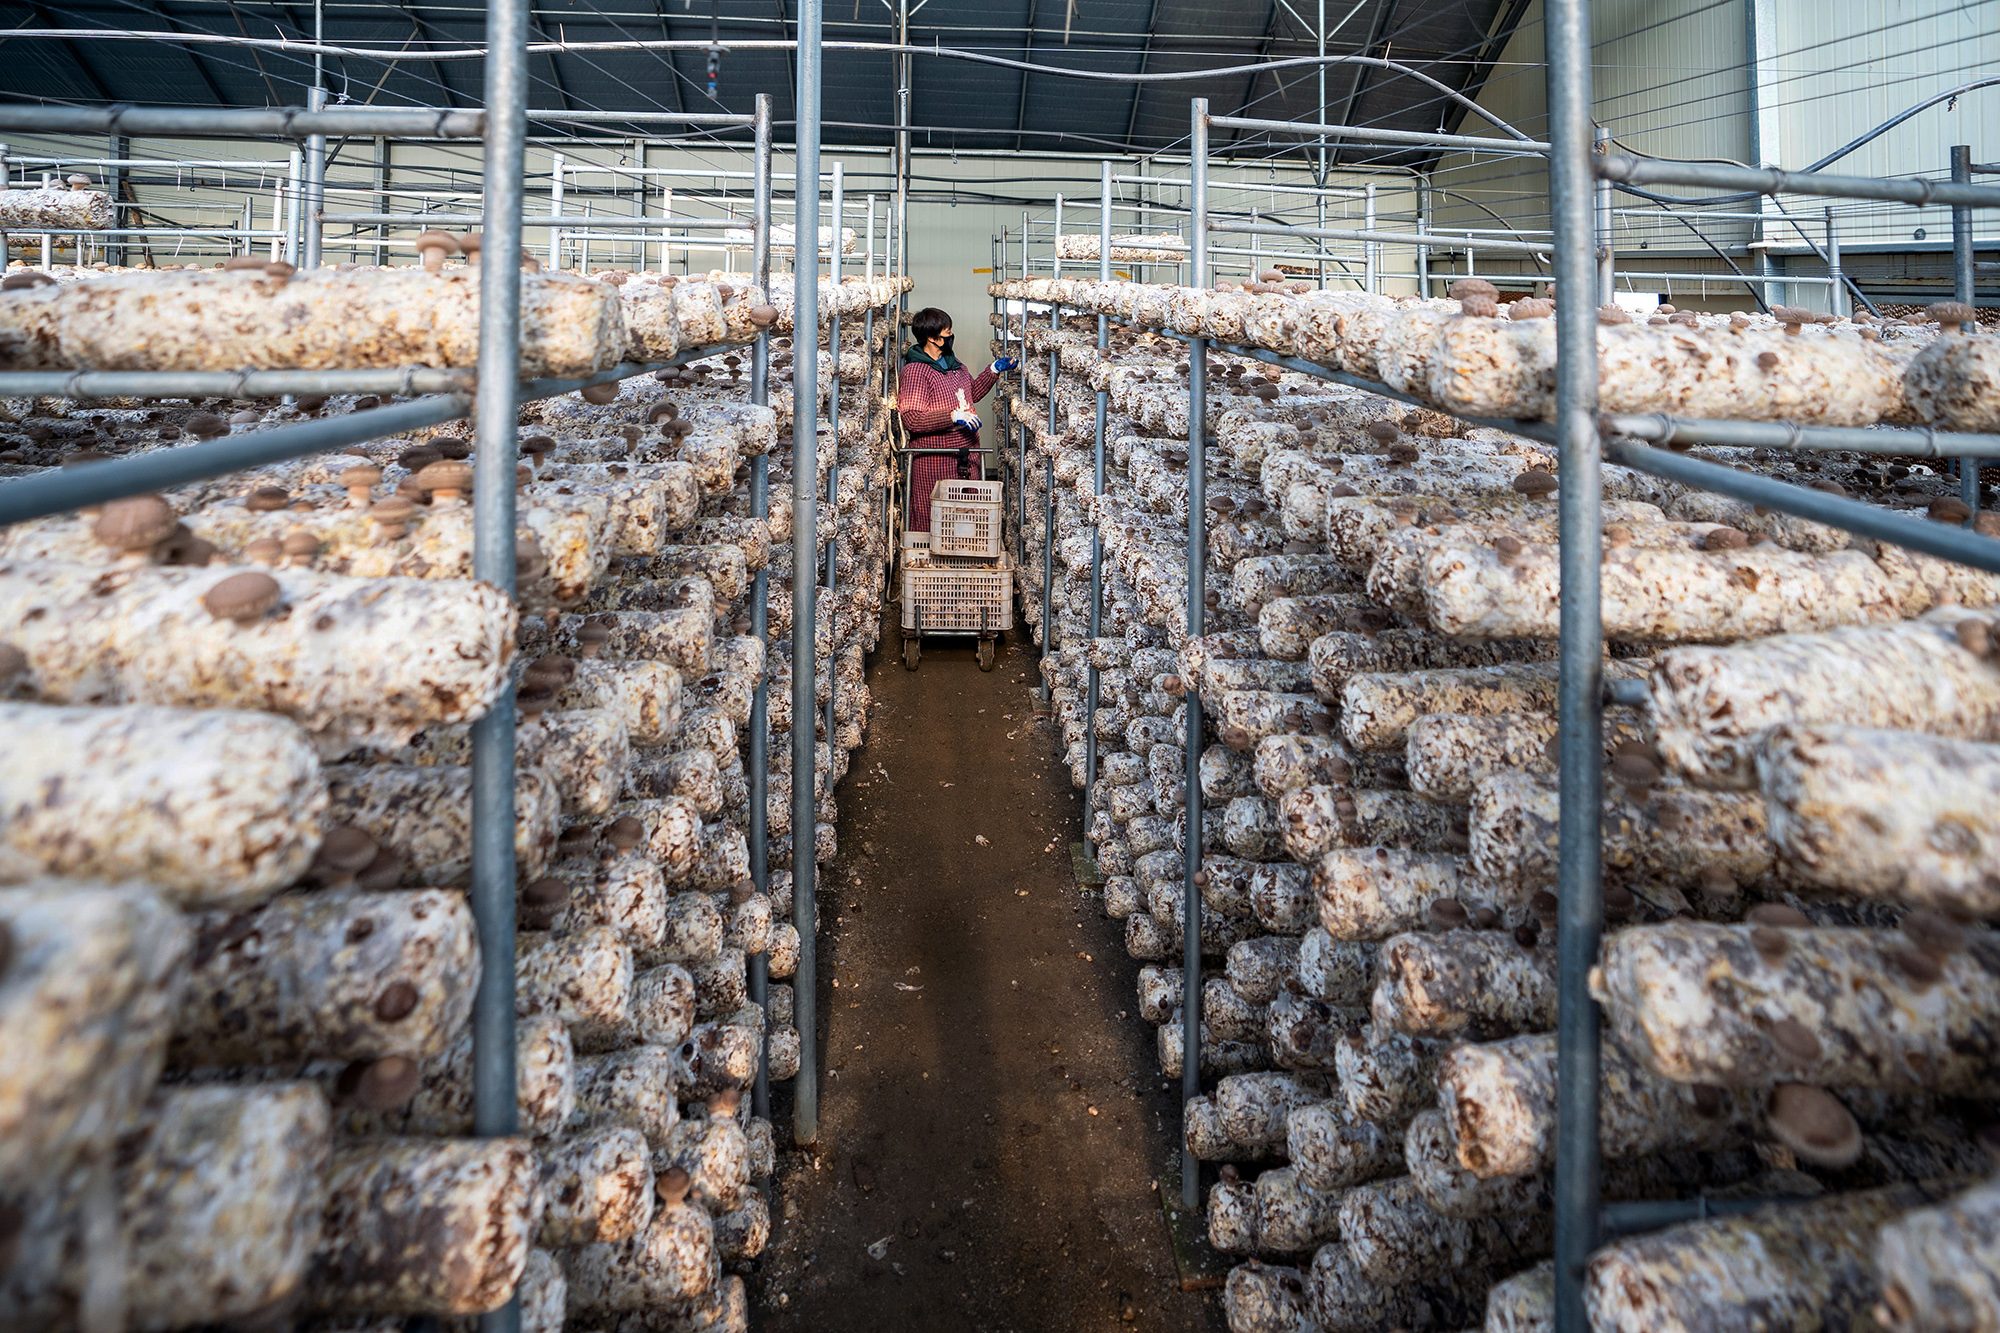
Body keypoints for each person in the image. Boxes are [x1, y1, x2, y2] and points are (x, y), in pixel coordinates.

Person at [898, 306, 1016, 532]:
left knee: (965, 518)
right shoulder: (916, 371)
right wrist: (952, 416)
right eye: (946, 333)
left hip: (965, 458)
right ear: (932, 338)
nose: (951, 337)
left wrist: (992, 371)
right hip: (936, 462)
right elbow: (912, 419)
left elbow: (971, 393)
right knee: (936, 517)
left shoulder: (954, 364)